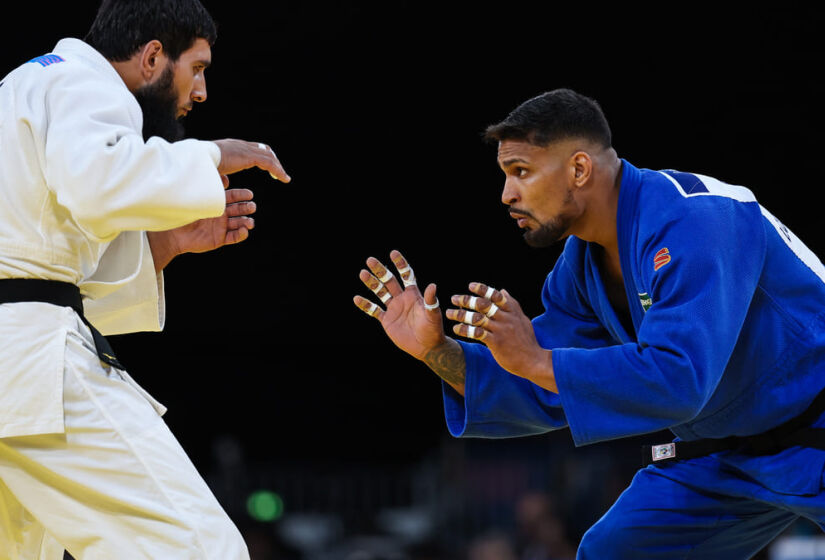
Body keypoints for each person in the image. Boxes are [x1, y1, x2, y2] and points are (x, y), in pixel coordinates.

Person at [354, 88, 825, 558]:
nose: (506, 194)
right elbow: (542, 381)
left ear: (579, 169)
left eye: (520, 171)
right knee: (612, 551)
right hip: (724, 455)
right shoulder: (579, 270)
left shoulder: (697, 219)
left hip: (815, 423)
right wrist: (439, 352)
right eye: (504, 174)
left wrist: (536, 360)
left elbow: (679, 378)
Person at [0, 0, 290, 558]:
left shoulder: (22, 87)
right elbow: (98, 187)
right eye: (198, 68)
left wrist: (165, 243)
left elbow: (38, 267)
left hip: (20, 348)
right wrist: (210, 156)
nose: (200, 93)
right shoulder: (85, 84)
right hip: (32, 364)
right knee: (199, 547)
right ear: (154, 56)